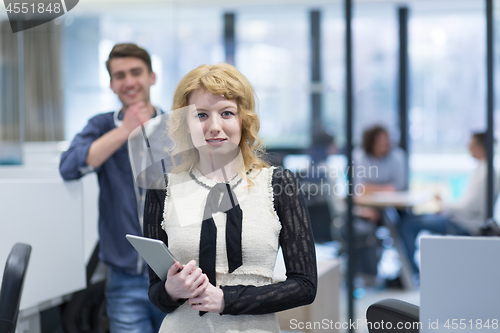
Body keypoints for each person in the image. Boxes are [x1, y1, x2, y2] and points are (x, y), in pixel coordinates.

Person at [142, 63, 317, 333]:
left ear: (243, 119)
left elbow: (305, 286)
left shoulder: (279, 184)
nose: (214, 126)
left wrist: (226, 299)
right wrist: (170, 290)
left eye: (226, 113)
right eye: (201, 115)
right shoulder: (162, 189)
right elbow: (156, 294)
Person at [59, 43, 166, 333]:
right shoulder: (102, 125)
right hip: (124, 277)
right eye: (120, 75)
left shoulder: (177, 126)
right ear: (111, 83)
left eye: (136, 72)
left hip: (176, 273)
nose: (129, 82)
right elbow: (69, 167)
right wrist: (123, 131)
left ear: (152, 77)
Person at [398, 132, 499, 274]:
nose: (468, 148)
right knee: (410, 219)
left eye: (470, 144)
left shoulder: (486, 173)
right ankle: (409, 272)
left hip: (465, 224)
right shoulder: (482, 170)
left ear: (480, 147)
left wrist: (444, 204)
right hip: (459, 218)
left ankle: (411, 273)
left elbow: (468, 207)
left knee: (408, 225)